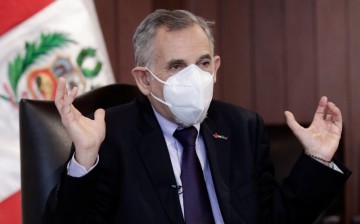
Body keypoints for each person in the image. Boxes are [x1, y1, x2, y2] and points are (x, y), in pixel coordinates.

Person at [44, 9, 350, 224]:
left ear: (216, 66)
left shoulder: (242, 127)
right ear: (144, 79)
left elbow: (275, 218)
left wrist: (317, 160)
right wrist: (84, 159)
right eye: (176, 66)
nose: (194, 77)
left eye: (203, 63)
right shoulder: (111, 135)